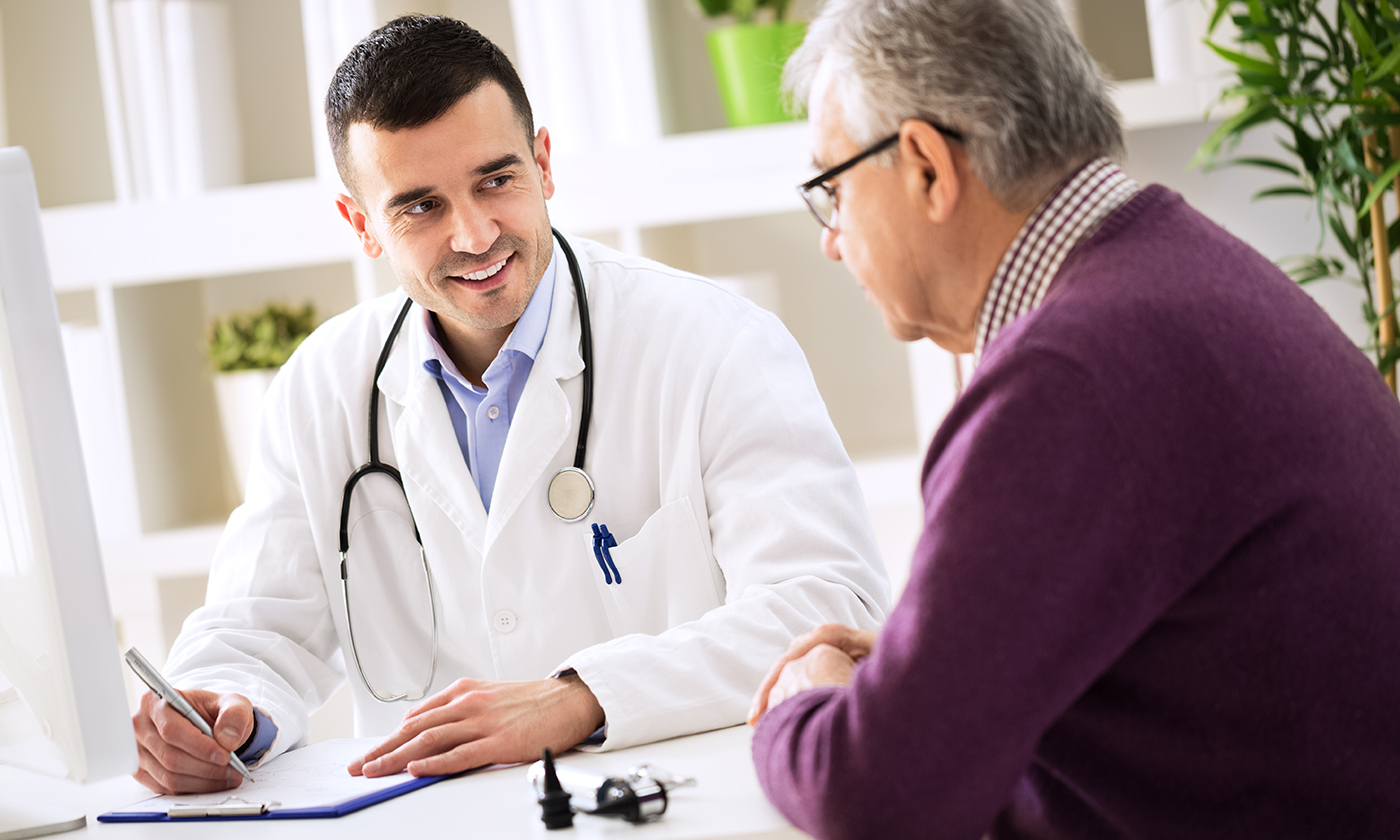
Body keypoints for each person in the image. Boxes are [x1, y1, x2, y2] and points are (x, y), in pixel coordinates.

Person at [129, 15, 890, 795]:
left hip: (676, 807)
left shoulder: (715, 343)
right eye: (420, 206)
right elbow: (256, 628)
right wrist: (222, 711)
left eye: (497, 180)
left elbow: (824, 606)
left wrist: (581, 698)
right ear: (361, 225)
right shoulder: (322, 385)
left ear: (544, 163)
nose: (475, 233)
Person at [747, 0, 1400, 837]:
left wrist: (804, 709)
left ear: (925, 168)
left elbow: (877, 795)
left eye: (834, 187)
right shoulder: (1181, 273)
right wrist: (934, 676)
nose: (833, 239)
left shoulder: (1068, 375)